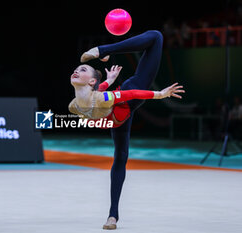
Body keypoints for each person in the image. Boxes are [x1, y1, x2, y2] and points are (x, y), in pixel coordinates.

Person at [68, 30, 185, 230]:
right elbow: (93, 95)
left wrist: (160, 94)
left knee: (156, 37)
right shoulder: (73, 106)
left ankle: (102, 50)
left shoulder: (101, 97)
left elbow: (130, 93)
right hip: (117, 119)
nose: (77, 71)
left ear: (91, 81)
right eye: (78, 69)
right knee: (120, 158)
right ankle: (113, 216)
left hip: (127, 101)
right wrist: (109, 81)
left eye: (83, 69)